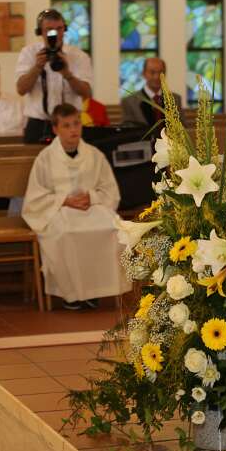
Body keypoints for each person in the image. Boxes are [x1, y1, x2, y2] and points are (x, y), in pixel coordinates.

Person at [22, 103, 130, 310]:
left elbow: (109, 190)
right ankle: (71, 295)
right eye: (66, 125)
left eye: (76, 123)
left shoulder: (94, 154)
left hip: (93, 207)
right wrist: (64, 200)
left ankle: (96, 291)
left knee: (112, 229)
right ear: (55, 129)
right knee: (66, 233)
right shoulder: (45, 159)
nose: (73, 130)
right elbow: (35, 197)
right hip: (59, 211)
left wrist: (91, 196)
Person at [15, 9, 93, 143]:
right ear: (40, 32)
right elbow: (21, 89)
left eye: (59, 29)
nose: (55, 34)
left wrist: (67, 74)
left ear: (65, 29)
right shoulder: (28, 53)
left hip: (70, 125)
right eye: (49, 30)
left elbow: (86, 93)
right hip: (38, 125)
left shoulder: (79, 56)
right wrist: (37, 67)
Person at [121, 57, 181, 128]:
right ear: (144, 73)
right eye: (152, 72)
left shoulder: (175, 99)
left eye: (161, 73)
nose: (156, 77)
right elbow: (128, 130)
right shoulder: (129, 102)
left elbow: (182, 127)